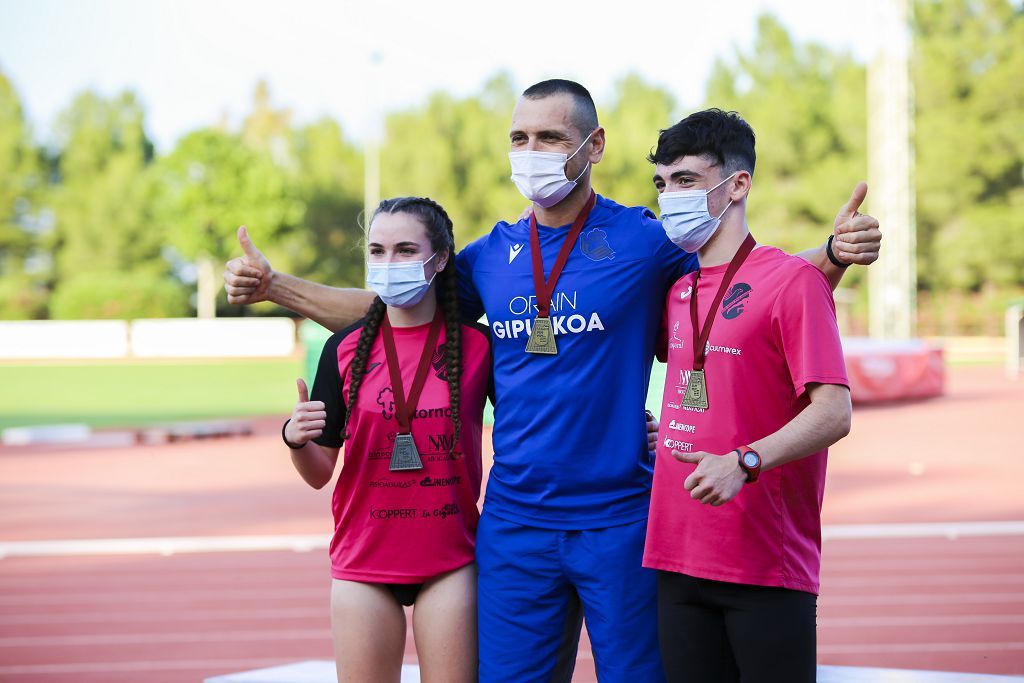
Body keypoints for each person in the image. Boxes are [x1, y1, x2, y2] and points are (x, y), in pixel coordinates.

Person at [225, 80, 880, 681]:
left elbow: (748, 286)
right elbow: (390, 306)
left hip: (620, 518)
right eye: (519, 138)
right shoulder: (491, 254)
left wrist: (830, 253)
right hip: (516, 524)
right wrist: (275, 285)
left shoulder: (643, 239)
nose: (530, 152)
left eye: (549, 138)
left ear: (593, 146)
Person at [644, 109, 852, 682]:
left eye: (685, 180)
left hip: (762, 563)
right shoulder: (678, 289)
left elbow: (834, 412)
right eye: (662, 184)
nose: (669, 197)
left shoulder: (793, 281)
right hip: (674, 552)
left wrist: (745, 460)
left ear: (738, 184)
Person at [282, 197, 491, 683]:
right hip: (363, 560)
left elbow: (534, 420)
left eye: (403, 250)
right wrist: (296, 439)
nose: (388, 263)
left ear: (439, 260)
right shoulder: (344, 348)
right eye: (377, 251)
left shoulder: (479, 346)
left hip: (450, 560)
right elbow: (318, 474)